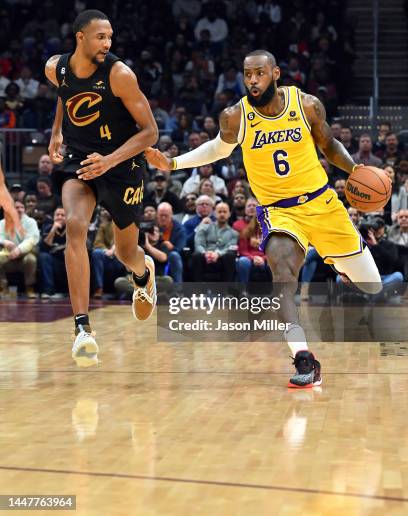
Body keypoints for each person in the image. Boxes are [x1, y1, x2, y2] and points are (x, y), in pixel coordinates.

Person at [146, 49, 383, 388]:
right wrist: (173, 163)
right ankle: (304, 359)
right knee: (282, 275)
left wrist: (357, 170)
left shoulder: (306, 105)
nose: (252, 80)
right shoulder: (236, 116)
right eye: (247, 74)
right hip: (280, 210)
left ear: (275, 74)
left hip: (323, 203)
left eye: (259, 73)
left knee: (371, 285)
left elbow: (329, 146)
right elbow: (217, 148)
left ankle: (343, 267)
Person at [45, 9, 158, 368]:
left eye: (110, 37)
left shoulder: (120, 74)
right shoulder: (55, 68)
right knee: (75, 227)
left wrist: (109, 161)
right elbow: (65, 94)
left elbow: (150, 132)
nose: (107, 44)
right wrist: (56, 131)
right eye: (100, 37)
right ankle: (82, 328)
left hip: (123, 166)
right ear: (80, 37)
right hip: (81, 161)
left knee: (126, 252)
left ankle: (143, 274)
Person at [0, 199, 40, 298]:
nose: (19, 209)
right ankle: (2, 288)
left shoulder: (31, 222)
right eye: (16, 207)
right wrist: (4, 241)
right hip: (8, 255)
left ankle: (29, 288)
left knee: (31, 259)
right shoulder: (3, 222)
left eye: (22, 207)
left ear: (25, 210)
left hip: (24, 255)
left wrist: (19, 250)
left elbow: (31, 240)